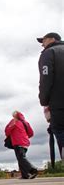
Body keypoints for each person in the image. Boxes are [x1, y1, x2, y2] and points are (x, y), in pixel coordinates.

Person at [37, 32, 64, 161]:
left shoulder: (49, 53)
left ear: (53, 39)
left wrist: (44, 99)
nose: (42, 44)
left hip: (59, 102)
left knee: (60, 130)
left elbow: (46, 78)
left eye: (44, 40)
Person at [5, 111, 38, 179]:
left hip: (17, 142)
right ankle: (25, 175)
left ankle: (33, 169)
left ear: (15, 116)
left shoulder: (14, 121)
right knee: (20, 158)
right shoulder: (25, 123)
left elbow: (7, 131)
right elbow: (31, 133)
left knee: (21, 158)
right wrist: (24, 137)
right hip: (25, 142)